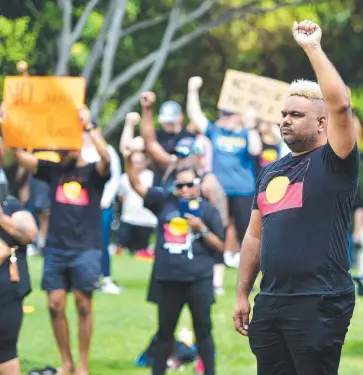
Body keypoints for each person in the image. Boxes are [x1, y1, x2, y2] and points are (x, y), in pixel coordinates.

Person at [233, 20, 358, 375]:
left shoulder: (336, 162)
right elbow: (254, 236)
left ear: (321, 123)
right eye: (284, 114)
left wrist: (312, 48)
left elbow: (341, 106)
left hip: (319, 300)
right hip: (271, 300)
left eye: (296, 115)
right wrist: (243, 293)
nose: (285, 120)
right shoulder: (271, 171)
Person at [1, 104, 110, 375]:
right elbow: (19, 154)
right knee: (54, 304)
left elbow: (107, 159)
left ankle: (82, 364)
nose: (63, 149)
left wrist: (89, 127)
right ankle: (67, 362)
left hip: (86, 248)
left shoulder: (93, 172)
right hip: (57, 249)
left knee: (84, 304)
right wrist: (9, 123)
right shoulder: (53, 171)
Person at [125, 154, 224, 375]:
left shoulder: (208, 210)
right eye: (180, 185)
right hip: (169, 279)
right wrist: (127, 158)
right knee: (164, 333)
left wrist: (201, 229)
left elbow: (220, 246)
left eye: (190, 184)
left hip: (199, 279)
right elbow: (136, 185)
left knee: (204, 330)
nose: (185, 189)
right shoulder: (164, 202)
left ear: (198, 184)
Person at [187, 78, 262, 268]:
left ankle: (249, 274)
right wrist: (192, 91)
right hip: (219, 189)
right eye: (224, 115)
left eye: (230, 115)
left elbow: (255, 150)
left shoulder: (246, 133)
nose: (226, 118)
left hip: (244, 189)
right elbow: (196, 116)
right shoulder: (216, 131)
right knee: (217, 229)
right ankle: (216, 276)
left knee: (247, 233)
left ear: (238, 116)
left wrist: (251, 126)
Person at [0, 167, 38, 375]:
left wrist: (2, 218)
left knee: (5, 352)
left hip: (7, 293)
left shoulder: (12, 207)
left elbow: (30, 234)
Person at [82, 127, 122, 294]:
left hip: (102, 205)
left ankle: (105, 278)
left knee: (102, 241)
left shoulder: (108, 151)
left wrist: (106, 199)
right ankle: (86, 278)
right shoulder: (78, 151)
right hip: (82, 206)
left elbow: (115, 177)